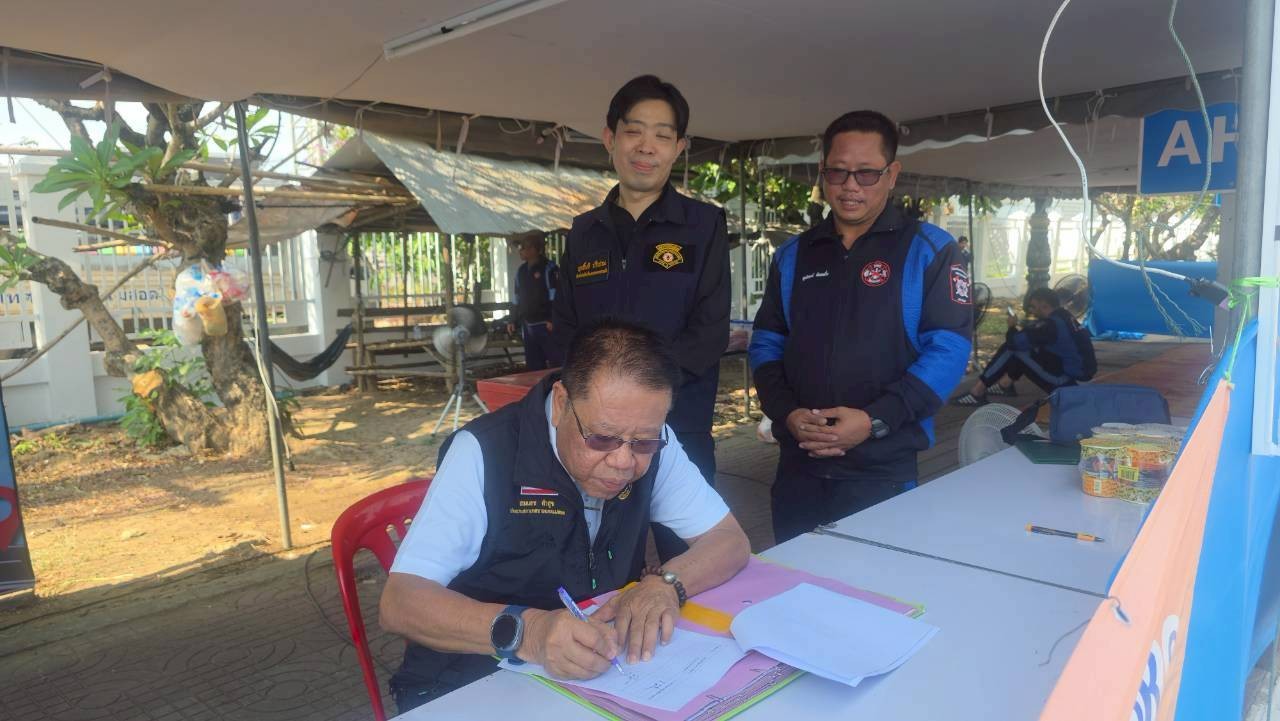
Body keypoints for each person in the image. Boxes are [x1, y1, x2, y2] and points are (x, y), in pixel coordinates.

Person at [380, 318, 750, 714]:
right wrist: (530, 632)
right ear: (560, 404)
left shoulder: (652, 439)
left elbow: (729, 540)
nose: (623, 461)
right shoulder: (484, 452)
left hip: (600, 676)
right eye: (602, 438)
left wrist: (666, 585)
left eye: (643, 443)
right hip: (470, 681)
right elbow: (400, 603)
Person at [748, 110, 973, 545]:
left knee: (876, 581)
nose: (851, 185)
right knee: (792, 578)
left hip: (882, 470)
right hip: (799, 466)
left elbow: (948, 349)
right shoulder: (794, 255)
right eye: (838, 171)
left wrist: (874, 420)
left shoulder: (929, 250)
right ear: (823, 171)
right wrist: (787, 413)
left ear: (892, 174)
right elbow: (766, 344)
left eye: (867, 173)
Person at [552, 75, 730, 560]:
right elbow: (566, 331)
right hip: (599, 436)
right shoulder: (584, 232)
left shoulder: (703, 226)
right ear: (610, 138)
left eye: (662, 135)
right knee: (604, 557)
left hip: (678, 428)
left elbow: (709, 332)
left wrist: (646, 404)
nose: (646, 147)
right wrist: (598, 410)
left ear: (679, 148)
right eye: (634, 131)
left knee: (692, 558)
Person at [953, 287, 1092, 405]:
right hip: (1078, 375)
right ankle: (1005, 385)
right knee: (1025, 350)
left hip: (1067, 383)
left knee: (1011, 349)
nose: (1032, 311)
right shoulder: (1064, 316)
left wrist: (1012, 327)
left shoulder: (1050, 325)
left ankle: (977, 392)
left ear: (1044, 305)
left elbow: (1014, 342)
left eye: (1033, 307)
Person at [506, 232, 563, 370]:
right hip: (528, 326)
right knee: (533, 367)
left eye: (523, 248)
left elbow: (556, 295)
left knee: (556, 364)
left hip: (546, 325)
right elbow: (516, 298)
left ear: (533, 249)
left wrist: (552, 319)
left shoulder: (550, 268)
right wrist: (512, 319)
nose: (520, 251)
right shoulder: (521, 271)